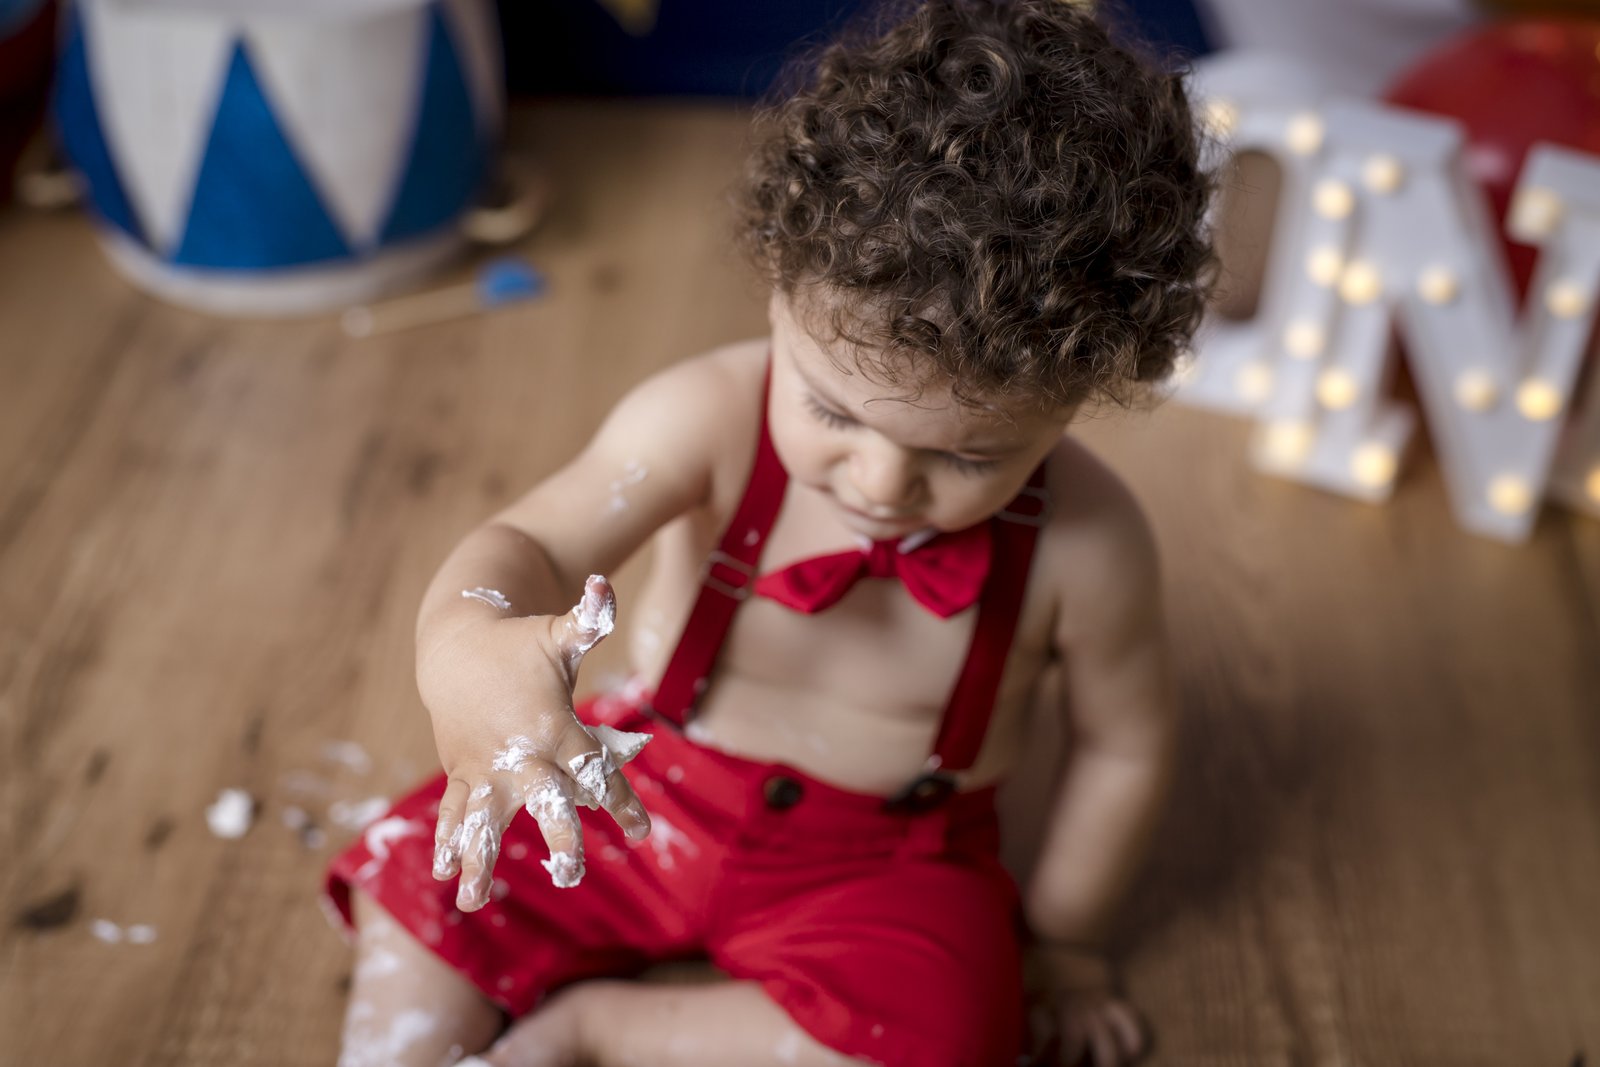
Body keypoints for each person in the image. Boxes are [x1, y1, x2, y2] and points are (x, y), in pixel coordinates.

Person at [325, 2, 1213, 1065]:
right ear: (782, 298)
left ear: (1072, 403)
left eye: (969, 457)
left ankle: (608, 1029)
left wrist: (1065, 947)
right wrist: (470, 645)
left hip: (887, 860)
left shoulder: (1090, 543)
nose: (880, 482)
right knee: (423, 869)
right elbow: (537, 543)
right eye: (832, 410)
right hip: (645, 781)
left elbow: (1122, 746)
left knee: (954, 1030)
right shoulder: (704, 418)